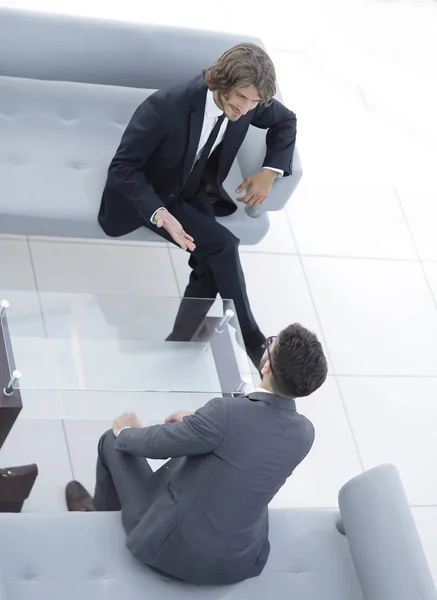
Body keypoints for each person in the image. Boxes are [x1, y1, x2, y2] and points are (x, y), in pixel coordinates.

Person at [65, 323, 328, 586]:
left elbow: (155, 445)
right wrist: (196, 422)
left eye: (271, 342)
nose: (267, 344)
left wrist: (126, 431)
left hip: (170, 548)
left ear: (267, 367)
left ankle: (99, 515)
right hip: (237, 561)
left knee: (111, 442)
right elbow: (248, 443)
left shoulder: (225, 414)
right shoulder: (305, 433)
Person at [98, 43, 297, 367]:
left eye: (255, 102)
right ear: (221, 82)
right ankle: (252, 340)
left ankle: (183, 339)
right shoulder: (166, 106)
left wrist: (269, 172)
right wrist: (161, 214)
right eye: (242, 98)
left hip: (192, 187)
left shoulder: (248, 103)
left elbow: (287, 120)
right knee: (222, 246)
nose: (247, 109)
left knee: (208, 263)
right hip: (154, 193)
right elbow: (123, 169)